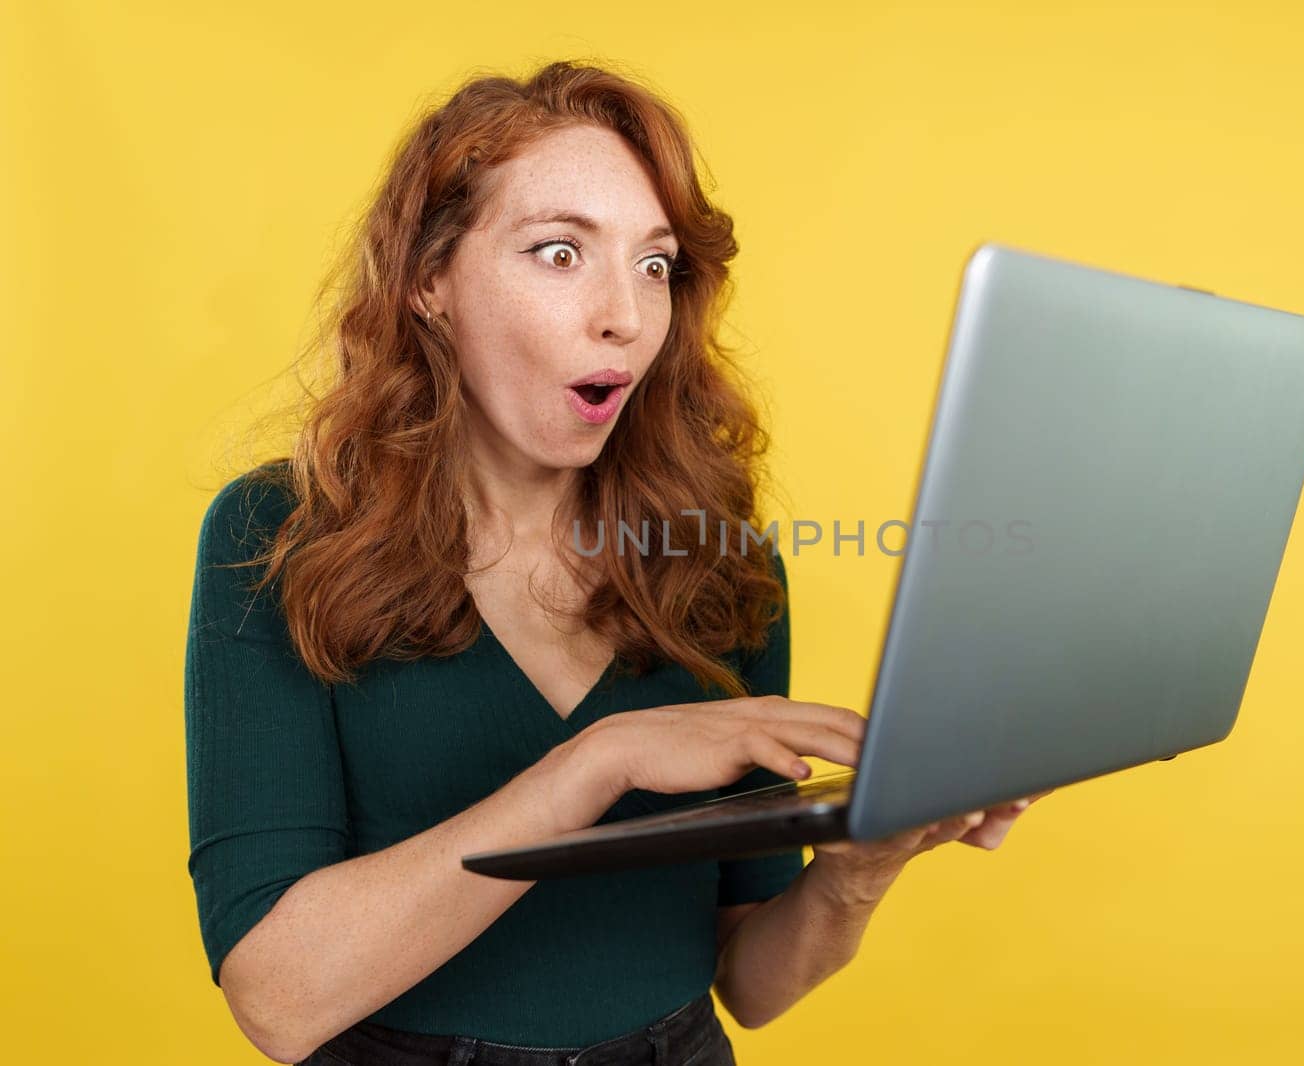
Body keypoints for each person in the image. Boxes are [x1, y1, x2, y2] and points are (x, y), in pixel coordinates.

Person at [184, 59, 1044, 1066]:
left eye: (654, 265)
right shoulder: (278, 535)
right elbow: (278, 1001)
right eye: (559, 253)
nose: (625, 318)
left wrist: (859, 870)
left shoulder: (723, 559)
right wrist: (598, 764)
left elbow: (749, 981)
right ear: (428, 279)